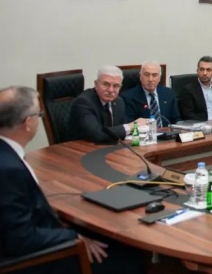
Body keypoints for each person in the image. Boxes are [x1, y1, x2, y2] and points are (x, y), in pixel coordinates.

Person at [0, 86, 147, 273]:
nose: (39, 118)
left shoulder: (7, 155)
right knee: (131, 256)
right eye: (39, 114)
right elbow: (21, 239)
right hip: (36, 260)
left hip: (38, 235)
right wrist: (75, 238)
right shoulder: (9, 170)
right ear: (28, 123)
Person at [69, 66, 149, 143]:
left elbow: (120, 131)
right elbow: (97, 134)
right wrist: (132, 126)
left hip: (108, 147)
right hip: (80, 148)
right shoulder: (83, 102)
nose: (111, 90)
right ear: (96, 84)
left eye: (116, 86)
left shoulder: (119, 102)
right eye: (106, 84)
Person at [120, 61, 180, 126]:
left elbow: (176, 120)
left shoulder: (169, 93)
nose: (150, 79)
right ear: (140, 76)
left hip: (166, 131)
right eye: (146, 75)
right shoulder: (128, 98)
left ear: (159, 78)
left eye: (154, 75)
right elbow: (129, 125)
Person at [179, 56, 212, 120]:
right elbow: (188, 115)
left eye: (208, 70)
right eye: (202, 69)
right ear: (197, 71)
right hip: (202, 124)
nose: (205, 73)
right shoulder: (188, 90)